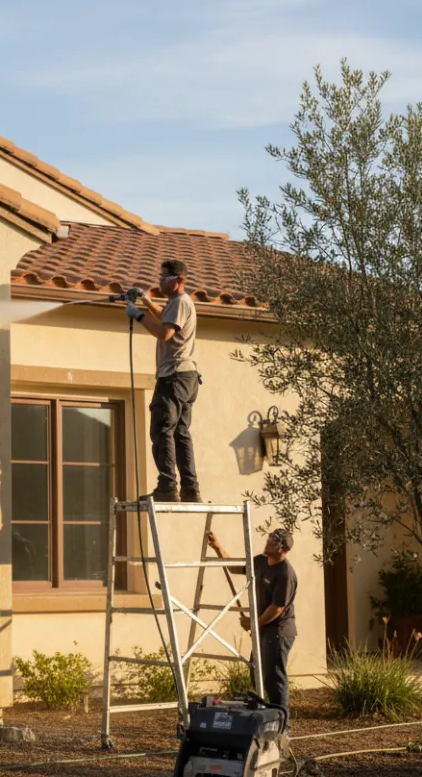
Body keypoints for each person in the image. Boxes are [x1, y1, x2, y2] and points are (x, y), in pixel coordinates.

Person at [207, 528, 298, 712]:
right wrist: (217, 547)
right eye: (269, 539)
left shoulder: (285, 573)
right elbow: (234, 567)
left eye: (272, 541)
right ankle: (264, 716)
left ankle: (281, 723)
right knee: (256, 672)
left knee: (274, 678)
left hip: (278, 632)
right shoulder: (260, 562)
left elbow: (277, 608)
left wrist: (254, 623)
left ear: (282, 549)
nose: (267, 542)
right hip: (263, 629)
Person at [137, 260, 201, 502]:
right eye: (160, 276)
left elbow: (165, 333)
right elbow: (165, 318)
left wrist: (139, 316)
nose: (160, 281)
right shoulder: (177, 304)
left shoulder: (181, 302)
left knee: (162, 430)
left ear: (179, 280)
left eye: (164, 277)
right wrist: (145, 299)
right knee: (180, 433)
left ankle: (167, 487)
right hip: (187, 377)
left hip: (173, 376)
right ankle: (190, 490)